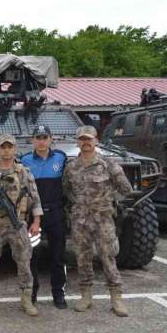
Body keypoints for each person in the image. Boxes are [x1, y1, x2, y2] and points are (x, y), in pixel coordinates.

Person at [63, 125, 132, 317]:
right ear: (78, 142)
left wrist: (108, 201)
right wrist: (77, 205)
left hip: (102, 220)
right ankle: (86, 296)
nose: (86, 142)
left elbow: (126, 188)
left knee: (107, 258)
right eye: (82, 139)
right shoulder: (71, 167)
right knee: (82, 259)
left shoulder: (108, 164)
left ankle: (116, 298)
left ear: (96, 141)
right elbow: (66, 190)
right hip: (80, 222)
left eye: (89, 139)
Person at [0, 134, 43, 317]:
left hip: (18, 224)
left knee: (24, 262)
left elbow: (35, 199)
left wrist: (36, 222)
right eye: (3, 147)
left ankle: (26, 298)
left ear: (14, 149)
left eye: (9, 147)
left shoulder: (24, 172)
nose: (6, 150)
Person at [20, 125, 68, 309]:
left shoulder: (60, 158)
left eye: (44, 137)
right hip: (33, 216)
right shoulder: (24, 160)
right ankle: (31, 294)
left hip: (55, 213)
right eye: (38, 137)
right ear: (33, 140)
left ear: (50, 139)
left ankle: (58, 293)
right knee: (32, 256)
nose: (41, 141)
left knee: (58, 256)